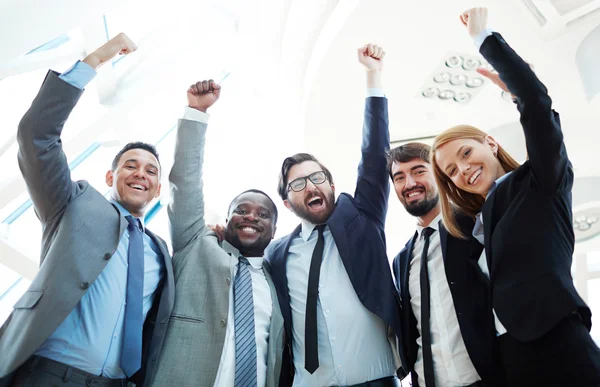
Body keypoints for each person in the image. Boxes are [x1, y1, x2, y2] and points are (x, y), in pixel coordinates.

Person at [431, 7, 600, 386]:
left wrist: (482, 37)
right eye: (452, 173)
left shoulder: (540, 180)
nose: (463, 171)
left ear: (490, 143)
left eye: (465, 154)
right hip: (510, 359)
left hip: (558, 344)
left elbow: (538, 106)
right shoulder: (478, 223)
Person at [0, 33, 175, 386]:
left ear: (157, 190)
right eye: (130, 165)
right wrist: (93, 61)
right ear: (110, 175)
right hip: (47, 374)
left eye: (151, 171)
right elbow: (37, 135)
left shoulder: (161, 252)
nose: (141, 173)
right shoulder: (74, 203)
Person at [266, 44, 405, 387]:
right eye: (298, 183)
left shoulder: (362, 220)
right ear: (286, 202)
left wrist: (373, 76)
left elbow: (375, 155)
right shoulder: (277, 254)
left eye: (317, 177)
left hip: (376, 378)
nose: (310, 186)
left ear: (331, 184)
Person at [148, 80, 284, 387]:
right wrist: (197, 113)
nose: (251, 216)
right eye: (241, 209)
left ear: (275, 231)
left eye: (263, 215)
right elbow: (185, 183)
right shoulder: (196, 244)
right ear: (227, 218)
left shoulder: (277, 281)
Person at [388, 143, 503, 387]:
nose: (409, 184)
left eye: (419, 171)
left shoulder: (475, 223)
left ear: (439, 175)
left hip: (490, 377)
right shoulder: (401, 260)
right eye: (399, 177)